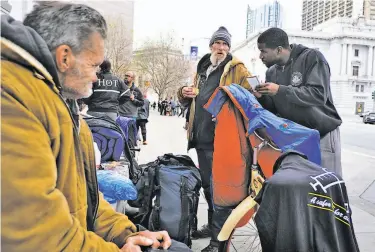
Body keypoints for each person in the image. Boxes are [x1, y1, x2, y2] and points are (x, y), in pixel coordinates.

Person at [1, 3, 190, 252]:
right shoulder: (13, 96)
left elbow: (84, 198)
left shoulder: (60, 99)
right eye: (93, 66)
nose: (96, 78)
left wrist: (129, 234)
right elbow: (34, 230)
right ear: (64, 57)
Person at [177, 26, 252, 252]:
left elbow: (250, 95)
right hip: (201, 137)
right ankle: (212, 226)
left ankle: (219, 241)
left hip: (222, 138)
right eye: (217, 43)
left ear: (229, 48)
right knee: (209, 187)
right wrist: (184, 93)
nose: (220, 48)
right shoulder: (203, 68)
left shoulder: (237, 68)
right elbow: (188, 101)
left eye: (224, 44)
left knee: (220, 189)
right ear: (211, 46)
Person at [254, 27, 342, 175]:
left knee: (326, 184)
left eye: (263, 51)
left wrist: (280, 90)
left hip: (322, 134)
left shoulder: (312, 57)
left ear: (279, 50)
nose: (260, 56)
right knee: (303, 187)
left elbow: (319, 94)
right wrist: (261, 97)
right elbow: (274, 108)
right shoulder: (271, 72)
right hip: (295, 138)